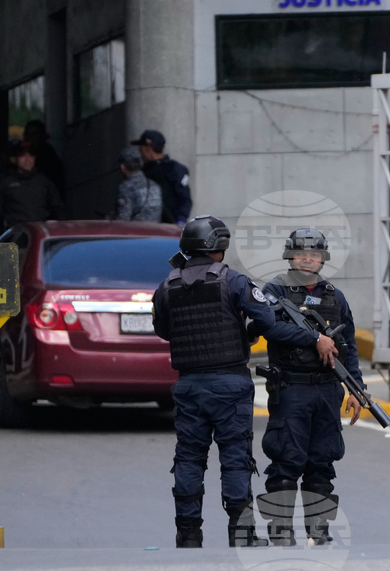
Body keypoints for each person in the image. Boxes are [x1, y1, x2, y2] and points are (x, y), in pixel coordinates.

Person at [152, 216, 323, 549]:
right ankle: (241, 532)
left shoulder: (167, 285)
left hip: (188, 384)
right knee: (234, 457)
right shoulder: (234, 281)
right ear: (220, 246)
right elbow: (266, 320)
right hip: (229, 383)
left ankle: (188, 532)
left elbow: (162, 330)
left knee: (188, 458)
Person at [259, 229, 363, 546]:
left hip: (327, 389)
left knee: (322, 461)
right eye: (302, 253)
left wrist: (356, 389)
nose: (308, 259)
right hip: (292, 387)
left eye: (314, 255)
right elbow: (269, 328)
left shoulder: (334, 295)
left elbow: (349, 346)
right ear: (290, 255)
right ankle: (280, 531)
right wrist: (314, 338)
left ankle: (318, 531)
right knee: (286, 459)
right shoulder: (275, 289)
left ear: (322, 259)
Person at [0, 141, 64, 229]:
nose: (27, 159)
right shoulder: (5, 183)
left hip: (40, 233)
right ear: (13, 159)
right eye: (22, 155)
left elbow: (58, 209)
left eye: (31, 155)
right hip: (16, 234)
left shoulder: (44, 182)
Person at [133, 129, 192, 225]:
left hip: (168, 227)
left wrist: (180, 221)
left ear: (148, 147)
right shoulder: (142, 172)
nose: (140, 151)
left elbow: (185, 199)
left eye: (141, 147)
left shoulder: (174, 169)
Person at [115, 147, 161, 221]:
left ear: (122, 167)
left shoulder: (126, 187)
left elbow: (123, 219)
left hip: (135, 232)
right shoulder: (155, 186)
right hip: (154, 231)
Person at [23, 120, 65, 200]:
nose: (29, 138)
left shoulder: (47, 156)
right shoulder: (22, 154)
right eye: (27, 134)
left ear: (41, 136)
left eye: (34, 134)